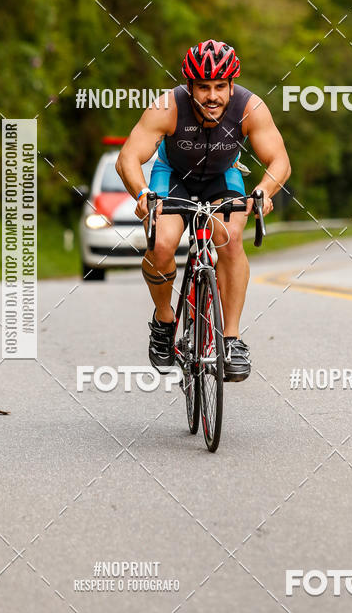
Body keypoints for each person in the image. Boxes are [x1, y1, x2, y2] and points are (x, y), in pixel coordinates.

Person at [116, 39, 291, 381]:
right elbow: (128, 157)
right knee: (163, 243)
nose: (212, 95)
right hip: (173, 177)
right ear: (189, 85)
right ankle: (165, 321)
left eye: (220, 87)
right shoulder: (168, 106)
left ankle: (231, 339)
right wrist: (142, 193)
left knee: (228, 236)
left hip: (222, 177)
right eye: (203, 87)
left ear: (231, 85)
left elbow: (279, 159)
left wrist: (263, 191)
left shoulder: (249, 107)